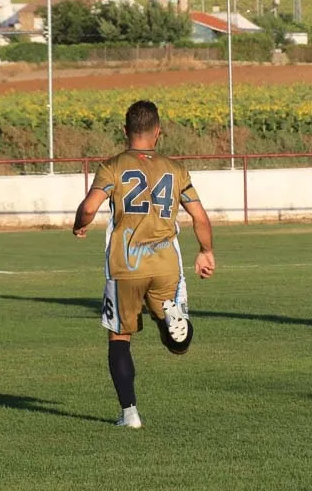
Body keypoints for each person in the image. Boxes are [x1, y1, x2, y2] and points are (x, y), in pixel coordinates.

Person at [71, 100, 216, 428]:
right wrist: (206, 251)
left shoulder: (112, 166)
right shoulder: (176, 169)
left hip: (125, 266)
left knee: (120, 337)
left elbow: (90, 207)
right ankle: (171, 322)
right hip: (166, 265)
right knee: (177, 346)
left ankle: (130, 413)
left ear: (125, 131)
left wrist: (79, 224)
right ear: (158, 132)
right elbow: (200, 217)